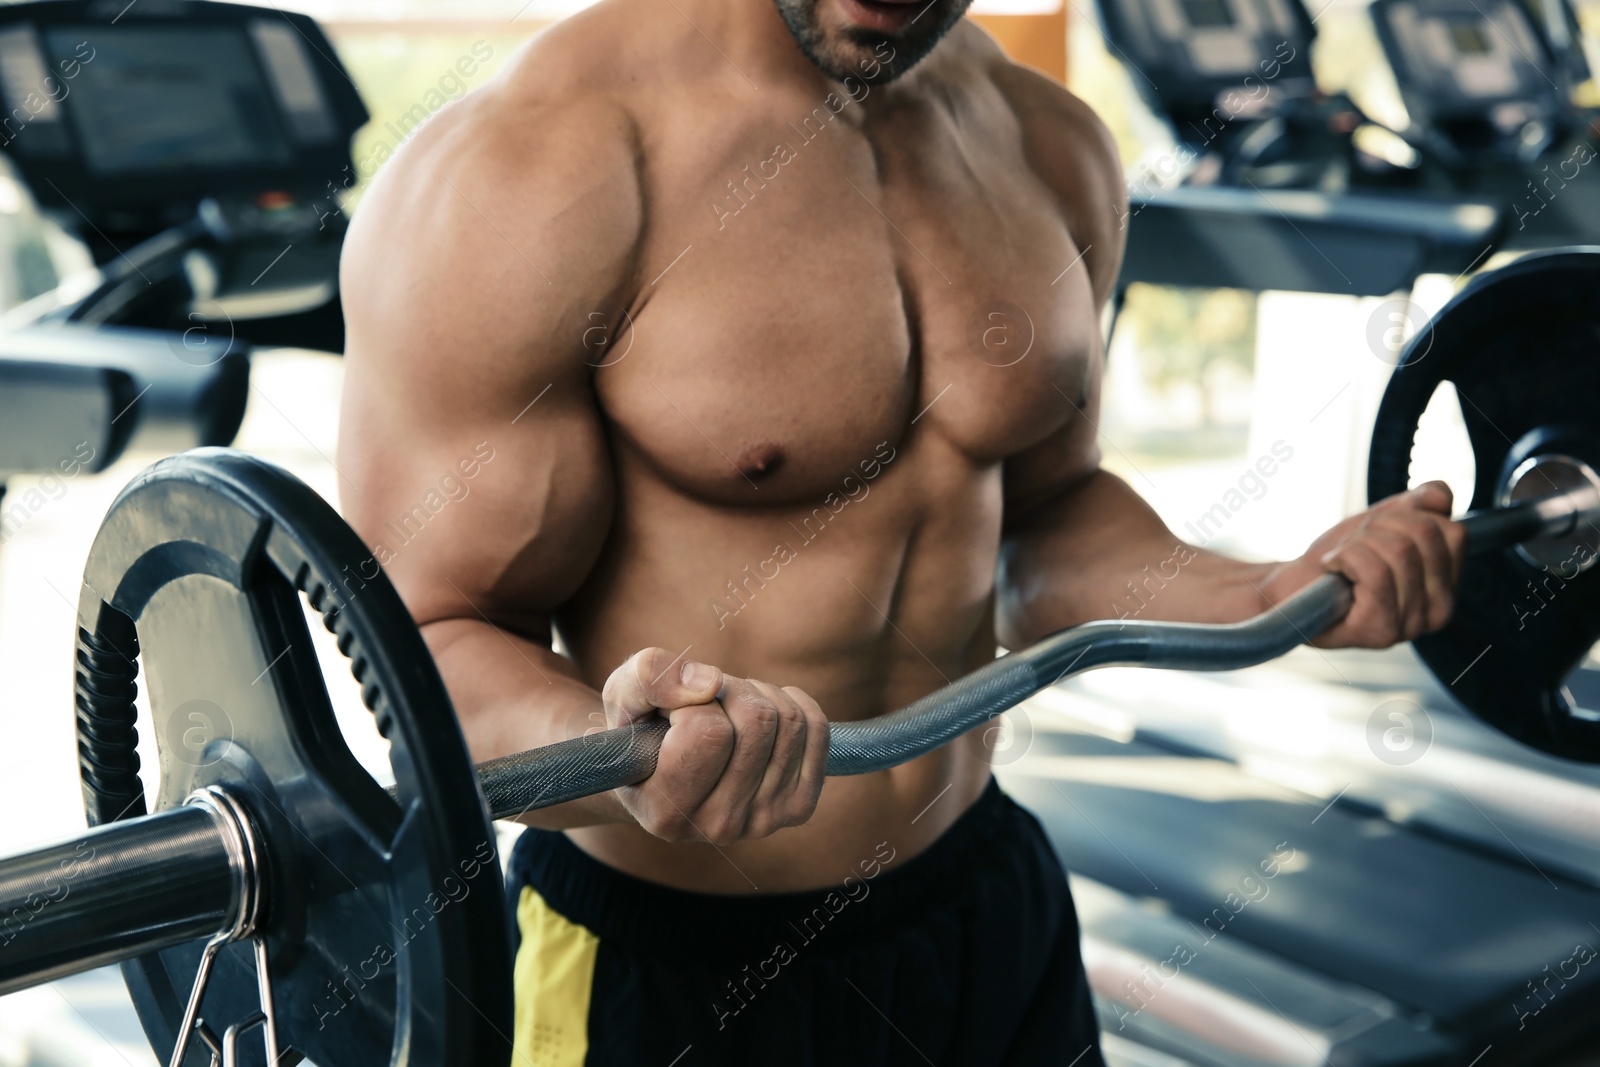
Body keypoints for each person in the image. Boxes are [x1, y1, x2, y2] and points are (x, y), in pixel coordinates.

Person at [336, 0, 1464, 1060]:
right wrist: (619, 754)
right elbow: (425, 645)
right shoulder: (523, 174)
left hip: (982, 898)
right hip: (668, 959)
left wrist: (1269, 591)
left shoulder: (1044, 141)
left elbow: (1044, 519)